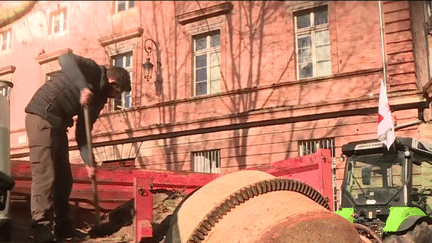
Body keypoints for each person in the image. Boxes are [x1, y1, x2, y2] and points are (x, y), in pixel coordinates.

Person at [24, 52, 131, 243]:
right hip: (41, 115)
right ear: (113, 83)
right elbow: (65, 59)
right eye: (117, 93)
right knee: (45, 174)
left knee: (64, 178)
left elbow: (83, 134)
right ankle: (41, 228)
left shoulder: (97, 101)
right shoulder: (93, 71)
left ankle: (64, 229)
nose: (115, 97)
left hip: (59, 125)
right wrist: (83, 87)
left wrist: (90, 162)